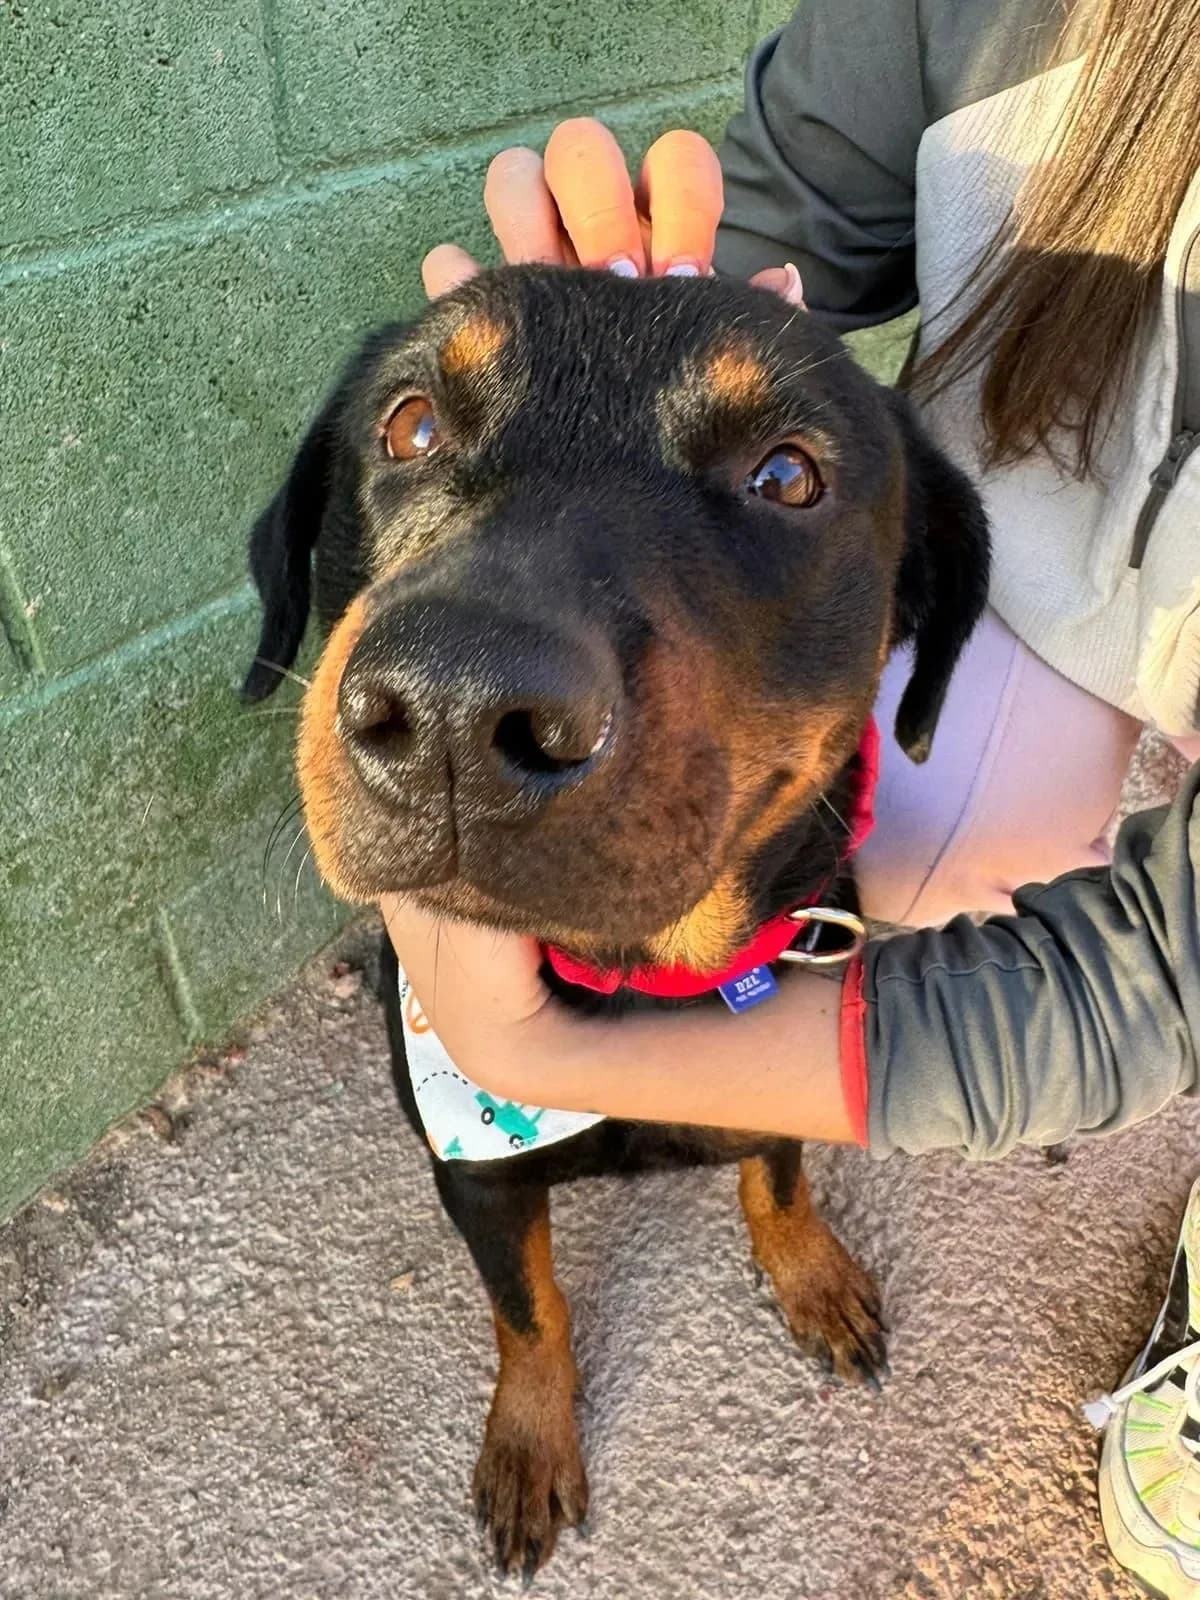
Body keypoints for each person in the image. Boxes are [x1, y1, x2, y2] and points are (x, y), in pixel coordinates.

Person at [381, 0, 1200, 1589]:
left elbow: (1169, 978)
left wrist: (543, 1038)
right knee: (492, 1142)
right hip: (1050, 531)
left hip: (1055, 583)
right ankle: (531, 1357)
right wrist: (640, 321)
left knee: (867, 867)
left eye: (786, 479)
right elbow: (774, 229)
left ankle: (777, 1204)